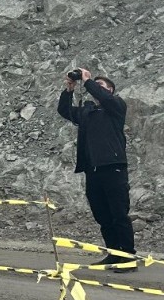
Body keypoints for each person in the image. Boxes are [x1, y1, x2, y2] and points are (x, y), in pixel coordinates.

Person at [57, 67, 137, 269]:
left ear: (110, 90)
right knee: (102, 215)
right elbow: (64, 111)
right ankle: (113, 253)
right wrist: (69, 89)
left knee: (119, 214)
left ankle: (128, 257)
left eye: (101, 85)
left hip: (114, 168)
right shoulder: (87, 112)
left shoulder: (116, 106)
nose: (95, 87)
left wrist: (88, 81)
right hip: (93, 171)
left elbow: (105, 98)